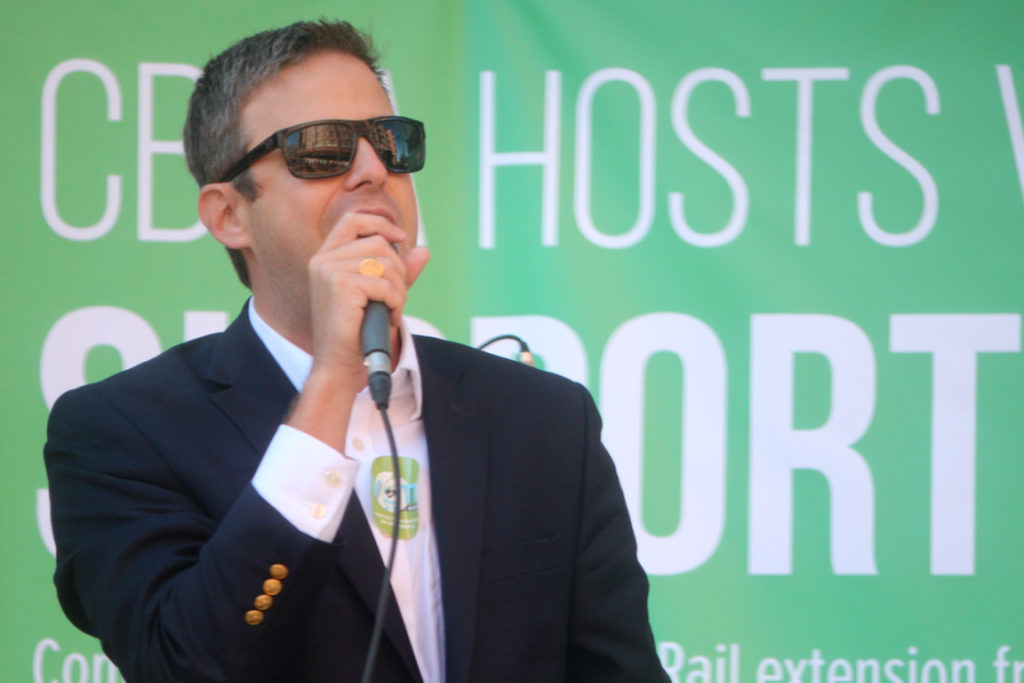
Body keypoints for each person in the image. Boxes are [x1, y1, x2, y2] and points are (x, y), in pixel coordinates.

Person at [44, 19, 667, 683]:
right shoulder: (121, 430)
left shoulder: (545, 418)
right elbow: (188, 663)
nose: (373, 171)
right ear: (229, 214)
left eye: (391, 143)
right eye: (321, 150)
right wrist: (334, 379)